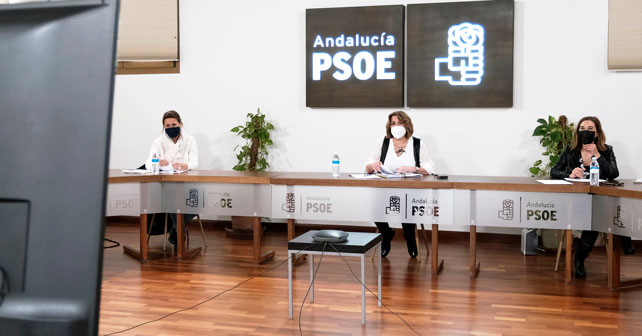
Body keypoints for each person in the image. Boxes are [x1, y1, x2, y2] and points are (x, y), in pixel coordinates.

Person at [551, 116, 634, 278]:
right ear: (577, 132)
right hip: (576, 199)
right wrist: (570, 173)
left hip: (598, 198)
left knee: (599, 214)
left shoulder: (606, 150)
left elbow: (613, 174)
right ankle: (626, 242)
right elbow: (554, 172)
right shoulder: (571, 149)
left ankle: (580, 259)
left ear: (597, 133)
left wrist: (597, 155)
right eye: (582, 129)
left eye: (590, 129)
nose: (585, 132)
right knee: (600, 214)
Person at [364, 111, 436, 258]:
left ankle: (410, 240)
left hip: (410, 189)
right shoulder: (382, 142)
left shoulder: (417, 143)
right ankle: (387, 234)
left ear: (406, 124)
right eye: (393, 123)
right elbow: (368, 164)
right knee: (375, 208)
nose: (396, 126)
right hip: (385, 188)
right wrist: (373, 166)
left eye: (400, 122)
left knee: (406, 209)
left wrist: (414, 168)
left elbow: (430, 168)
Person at [145, 110, 199, 245]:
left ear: (180, 124)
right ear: (163, 127)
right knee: (173, 197)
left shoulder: (190, 140)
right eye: (167, 126)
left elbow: (195, 163)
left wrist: (184, 165)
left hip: (186, 183)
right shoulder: (159, 142)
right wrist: (157, 161)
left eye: (174, 124)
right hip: (165, 185)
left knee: (196, 199)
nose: (171, 128)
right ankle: (178, 229)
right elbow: (148, 163)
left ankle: (175, 229)